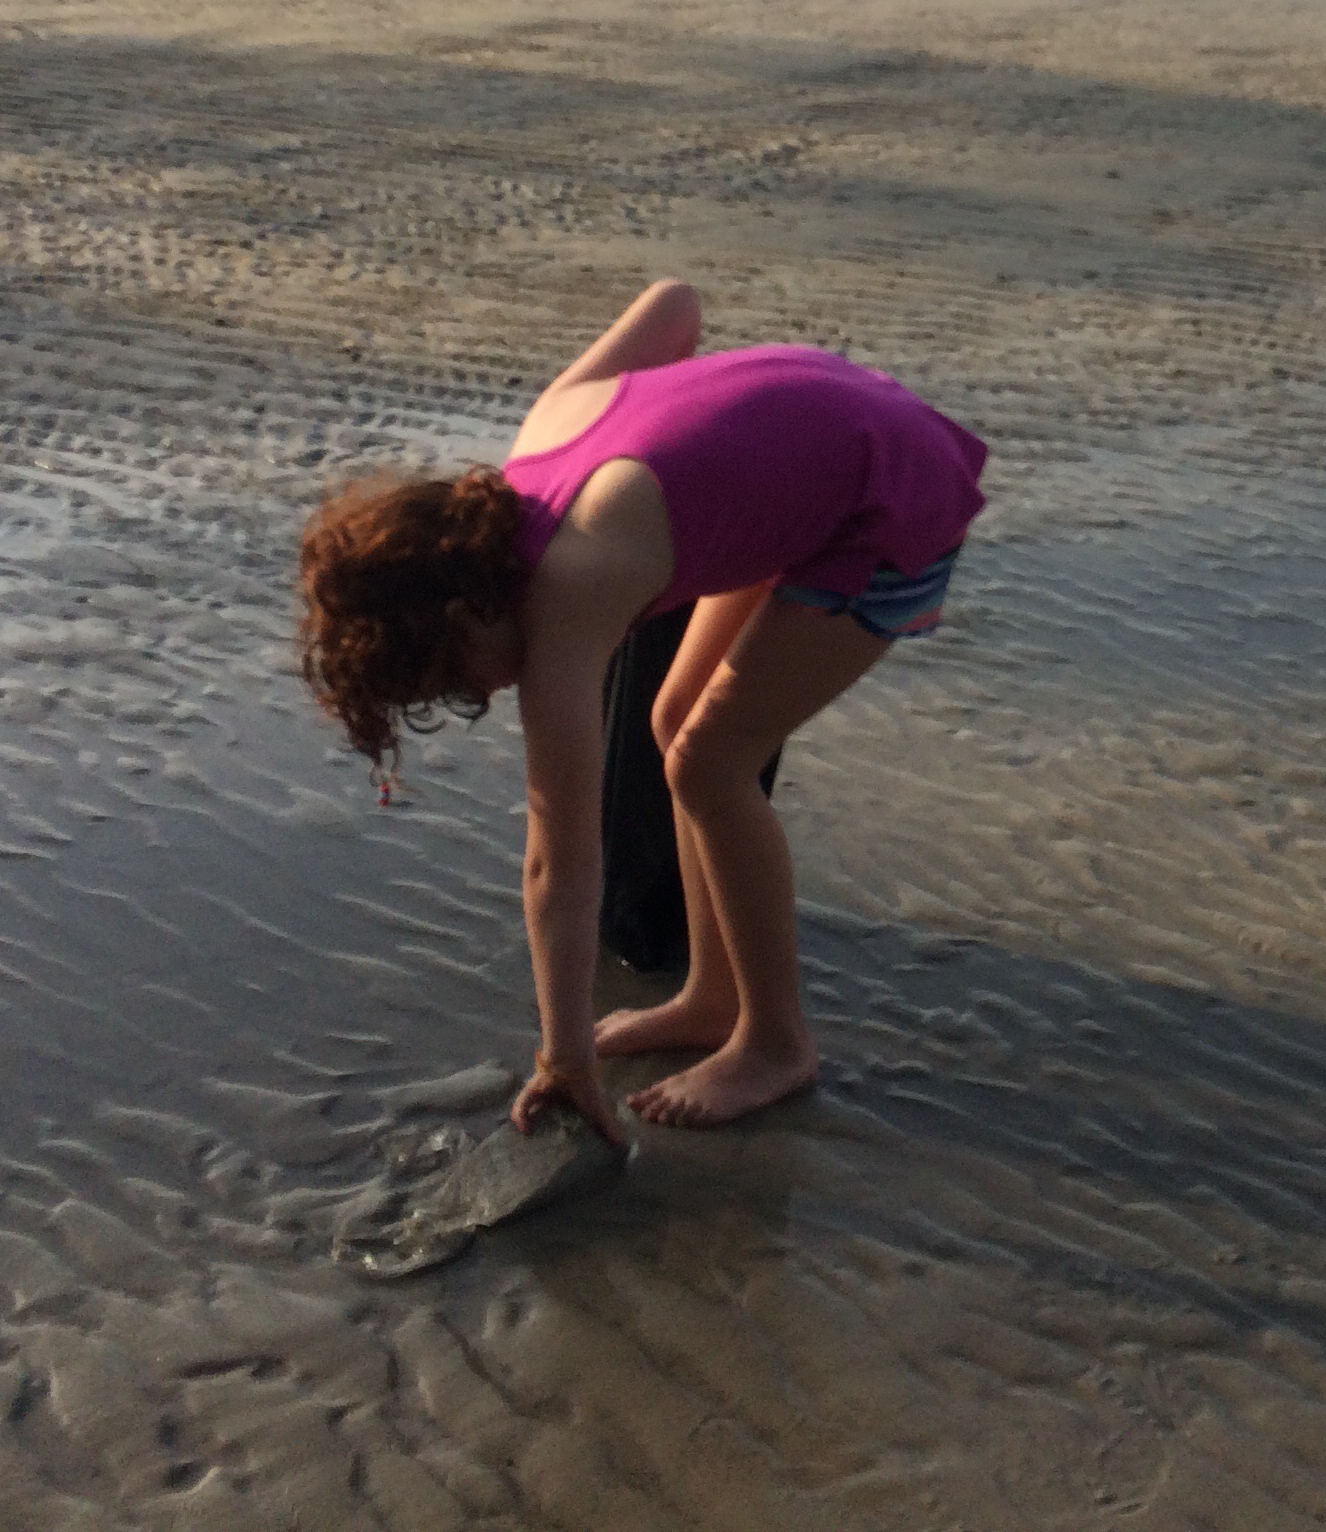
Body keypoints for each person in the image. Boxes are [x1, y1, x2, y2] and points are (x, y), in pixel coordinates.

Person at [296, 280, 986, 1135]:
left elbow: (559, 862)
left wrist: (565, 1061)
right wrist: (722, 435)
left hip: (891, 500)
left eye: (458, 679)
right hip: (840, 425)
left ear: (465, 609)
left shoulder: (568, 590)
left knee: (712, 763)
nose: (486, 694)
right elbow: (674, 305)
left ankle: (777, 1043)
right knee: (673, 726)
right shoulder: (540, 441)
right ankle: (711, 999)